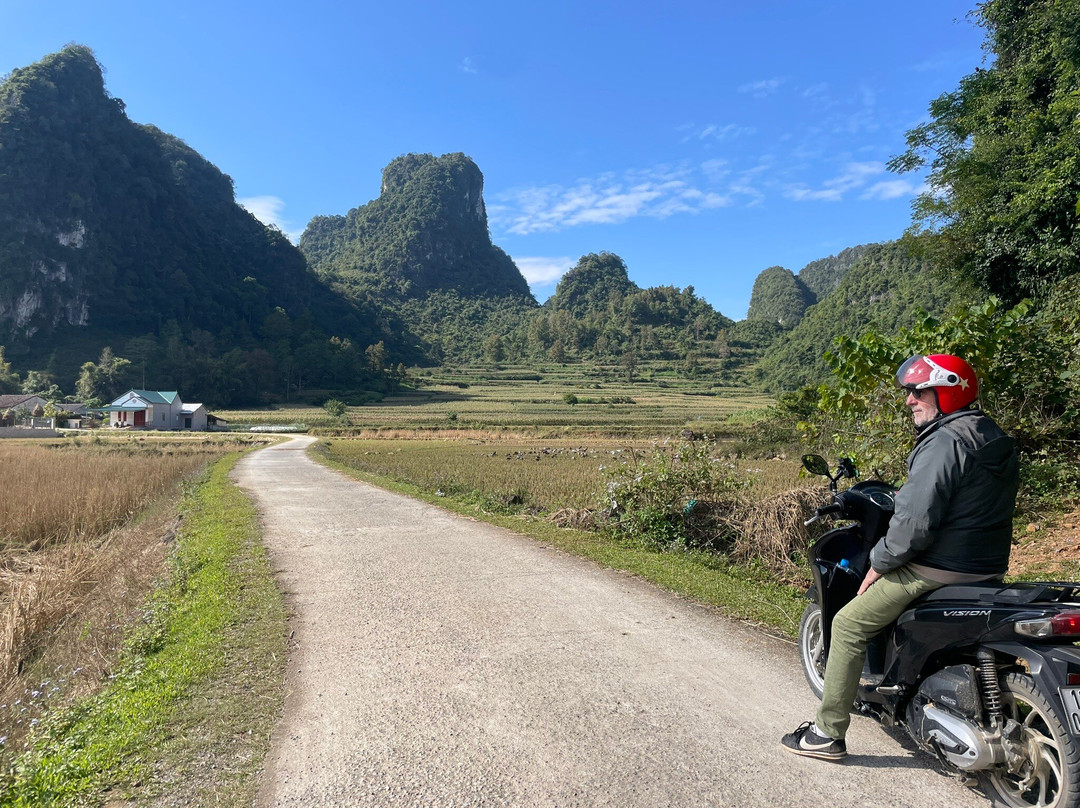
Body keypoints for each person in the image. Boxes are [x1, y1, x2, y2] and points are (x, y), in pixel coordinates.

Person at [781, 353, 1019, 761]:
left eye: (918, 390)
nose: (909, 399)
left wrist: (880, 561)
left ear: (947, 392)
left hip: (935, 569)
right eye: (909, 391)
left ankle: (827, 732)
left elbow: (914, 523)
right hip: (986, 568)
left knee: (849, 623)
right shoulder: (990, 434)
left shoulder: (945, 441)